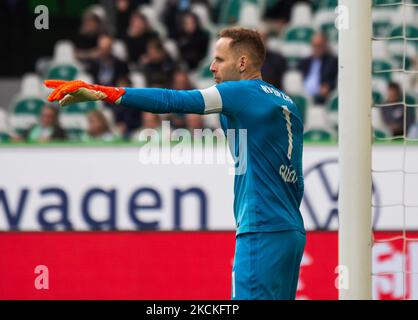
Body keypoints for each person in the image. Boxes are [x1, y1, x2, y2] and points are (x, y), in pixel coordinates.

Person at [45, 27, 306, 300]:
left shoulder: (240, 92)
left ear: (242, 63)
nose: (212, 66)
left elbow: (174, 99)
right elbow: (297, 180)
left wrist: (105, 93)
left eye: (219, 59)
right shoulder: (287, 103)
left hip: (260, 228)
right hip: (291, 232)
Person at [299, 32, 338, 104]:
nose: (316, 48)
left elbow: (334, 80)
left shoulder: (332, 61)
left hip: (321, 97)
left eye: (319, 46)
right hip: (304, 94)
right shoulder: (305, 61)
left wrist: (328, 86)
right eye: (314, 46)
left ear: (325, 46)